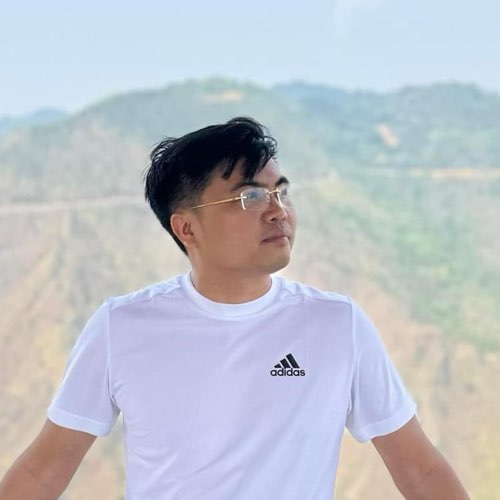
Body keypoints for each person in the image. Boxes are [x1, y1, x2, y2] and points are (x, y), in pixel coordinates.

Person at [0, 117, 469, 499]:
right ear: (186, 229)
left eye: (280, 191)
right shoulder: (121, 326)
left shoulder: (336, 324)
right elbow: (44, 472)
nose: (277, 210)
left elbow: (420, 472)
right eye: (250, 196)